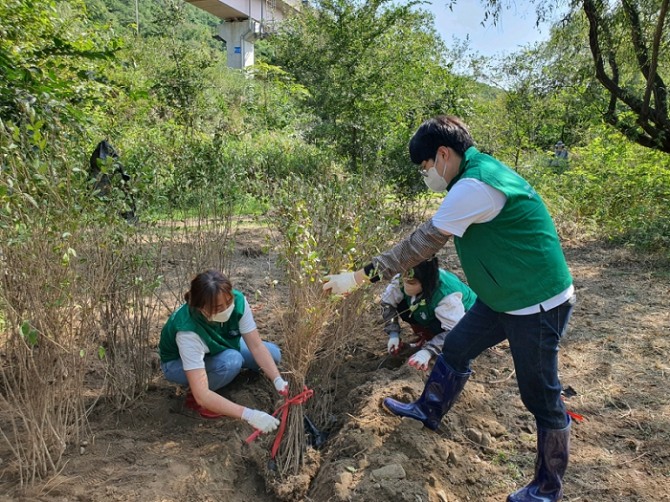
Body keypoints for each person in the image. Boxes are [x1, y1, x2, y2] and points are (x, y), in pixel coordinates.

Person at [323, 115, 575, 502]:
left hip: (534, 303)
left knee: (540, 395)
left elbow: (421, 245)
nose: (427, 175)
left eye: (426, 167)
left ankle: (546, 489)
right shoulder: (473, 175)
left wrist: (357, 278)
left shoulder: (475, 184)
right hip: (501, 297)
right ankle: (428, 410)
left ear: (443, 154)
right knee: (455, 348)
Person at [159, 270, 288, 434]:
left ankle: (219, 376)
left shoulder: (238, 301)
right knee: (231, 362)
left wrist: (277, 379)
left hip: (218, 344)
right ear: (202, 308)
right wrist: (250, 415)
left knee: (274, 354)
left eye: (229, 301)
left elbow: (256, 346)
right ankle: (194, 397)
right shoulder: (188, 331)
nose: (227, 309)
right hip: (177, 363)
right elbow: (203, 395)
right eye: (219, 307)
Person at [381, 256, 476, 371]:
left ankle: (434, 344)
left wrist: (429, 351)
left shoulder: (446, 296)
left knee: (440, 330)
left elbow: (457, 331)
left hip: (465, 321)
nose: (406, 285)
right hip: (428, 309)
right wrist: (393, 333)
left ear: (425, 282)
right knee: (403, 307)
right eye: (404, 280)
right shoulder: (403, 277)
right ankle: (425, 337)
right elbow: (387, 304)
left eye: (411, 282)